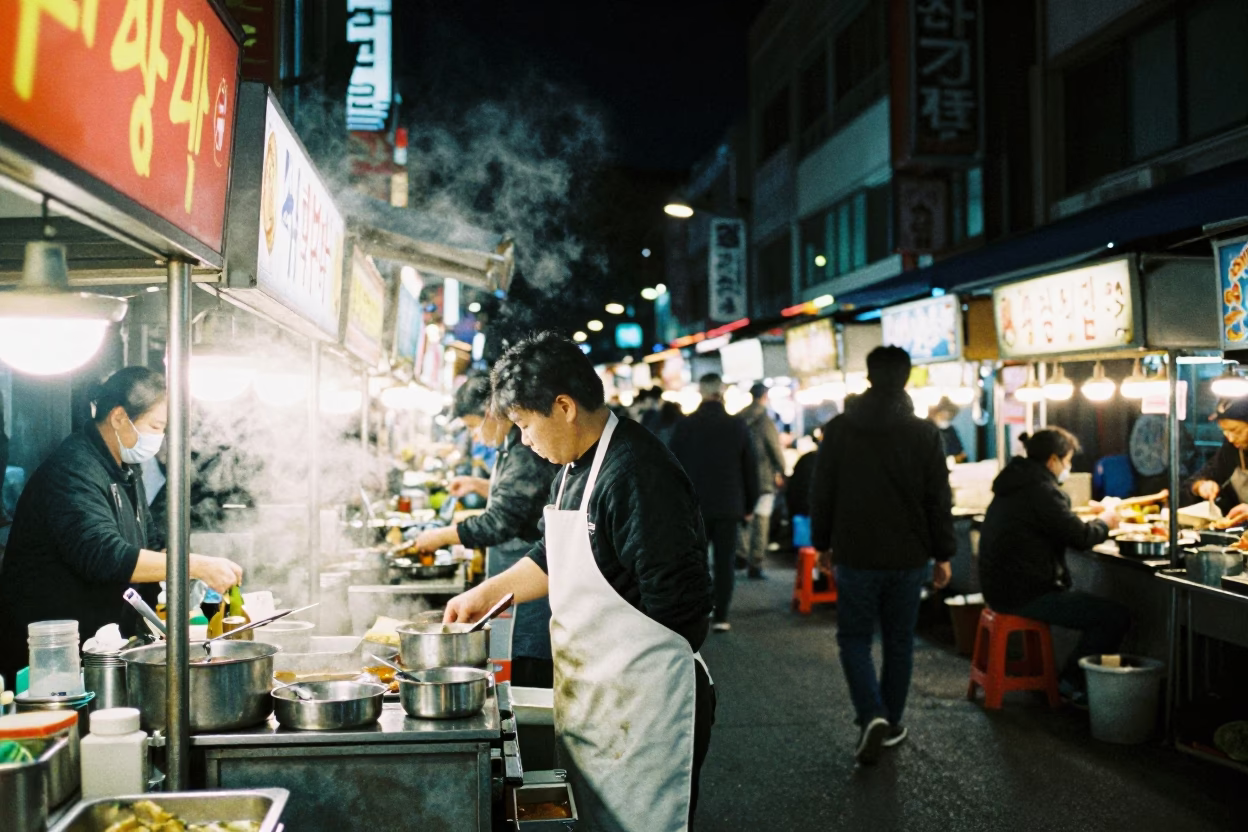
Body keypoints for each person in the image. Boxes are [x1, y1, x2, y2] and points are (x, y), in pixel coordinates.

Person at [443, 331, 715, 831]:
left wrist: (621, 669)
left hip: (646, 707)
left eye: (525, 424)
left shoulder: (636, 472)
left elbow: (684, 609)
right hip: (598, 704)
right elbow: (552, 555)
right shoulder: (571, 468)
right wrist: (486, 594)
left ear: (564, 406)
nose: (523, 439)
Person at [0, 368, 243, 684]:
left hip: (104, 652)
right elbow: (103, 555)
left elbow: (150, 543)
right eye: (155, 426)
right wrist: (196, 566)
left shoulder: (126, 469)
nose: (159, 437)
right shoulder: (73, 469)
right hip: (51, 664)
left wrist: (191, 580)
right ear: (118, 417)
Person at [809, 346, 954, 766]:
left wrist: (822, 545)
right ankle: (889, 721)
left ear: (868, 376)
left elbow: (823, 492)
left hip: (855, 553)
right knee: (898, 641)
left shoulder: (838, 429)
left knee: (854, 638)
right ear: (906, 379)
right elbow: (938, 499)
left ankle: (871, 713)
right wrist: (943, 554)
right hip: (909, 557)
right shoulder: (925, 433)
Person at [411, 372, 560, 687]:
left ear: (490, 413)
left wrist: (440, 536)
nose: (474, 437)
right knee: (516, 665)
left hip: (532, 591)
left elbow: (500, 522)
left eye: (471, 427)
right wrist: (479, 485)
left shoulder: (524, 452)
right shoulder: (509, 447)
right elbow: (519, 499)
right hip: (514, 583)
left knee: (529, 672)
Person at [978, 427, 1128, 704]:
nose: (1068, 468)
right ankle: (1070, 683)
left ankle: (1067, 681)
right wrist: (1106, 521)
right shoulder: (1041, 491)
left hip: (1001, 588)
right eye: (1067, 461)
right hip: (1025, 593)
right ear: (1052, 461)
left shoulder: (1016, 484)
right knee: (1113, 617)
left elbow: (1056, 524)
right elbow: (1081, 537)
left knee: (1104, 614)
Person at [670, 374, 759, 633]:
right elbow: (749, 468)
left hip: (693, 505)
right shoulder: (737, 426)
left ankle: (697, 613)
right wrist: (749, 505)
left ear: (700, 391)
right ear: (721, 392)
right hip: (729, 504)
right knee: (725, 561)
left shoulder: (685, 426)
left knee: (695, 561)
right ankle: (722, 616)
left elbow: (671, 466)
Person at [738, 382, 786, 579]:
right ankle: (755, 562)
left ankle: (740, 554)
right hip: (763, 480)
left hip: (741, 478)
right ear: (765, 396)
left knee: (743, 520)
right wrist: (782, 470)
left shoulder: (738, 418)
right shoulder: (766, 421)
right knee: (761, 521)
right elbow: (774, 449)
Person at [1187, 398, 1248, 525]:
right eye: (1225, 431)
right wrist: (1202, 486)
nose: (1230, 438)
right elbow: (1197, 479)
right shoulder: (1232, 450)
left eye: (1236, 431)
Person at [929, 397, 968, 463]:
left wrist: (958, 457)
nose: (945, 415)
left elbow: (960, 452)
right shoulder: (930, 431)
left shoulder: (951, 429)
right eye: (942, 414)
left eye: (948, 414)